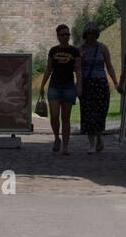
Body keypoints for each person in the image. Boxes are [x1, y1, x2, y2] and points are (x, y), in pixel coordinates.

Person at [39, 24, 81, 155]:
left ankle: (66, 146)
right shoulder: (53, 51)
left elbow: (78, 70)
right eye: (62, 34)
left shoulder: (75, 51)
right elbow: (48, 69)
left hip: (68, 86)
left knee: (66, 118)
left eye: (67, 34)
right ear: (58, 36)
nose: (65, 37)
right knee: (55, 115)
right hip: (54, 86)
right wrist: (42, 85)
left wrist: (79, 85)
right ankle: (57, 137)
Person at [78, 21, 118, 153]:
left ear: (97, 34)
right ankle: (91, 144)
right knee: (88, 113)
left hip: (100, 83)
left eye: (93, 33)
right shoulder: (80, 49)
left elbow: (109, 66)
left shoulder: (102, 48)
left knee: (101, 112)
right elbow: (76, 69)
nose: (91, 35)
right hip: (87, 83)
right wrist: (80, 61)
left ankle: (99, 136)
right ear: (85, 34)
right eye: (89, 33)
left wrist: (115, 82)